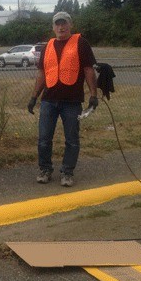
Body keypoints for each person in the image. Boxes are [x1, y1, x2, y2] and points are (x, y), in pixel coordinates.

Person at [27, 11, 98, 187]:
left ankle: (67, 172)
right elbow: (42, 73)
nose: (61, 27)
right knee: (44, 139)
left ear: (70, 25)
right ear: (53, 27)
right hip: (49, 101)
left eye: (64, 23)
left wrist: (93, 95)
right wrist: (34, 96)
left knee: (72, 140)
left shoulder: (80, 43)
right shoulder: (48, 46)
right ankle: (45, 169)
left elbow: (89, 69)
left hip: (72, 102)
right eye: (57, 24)